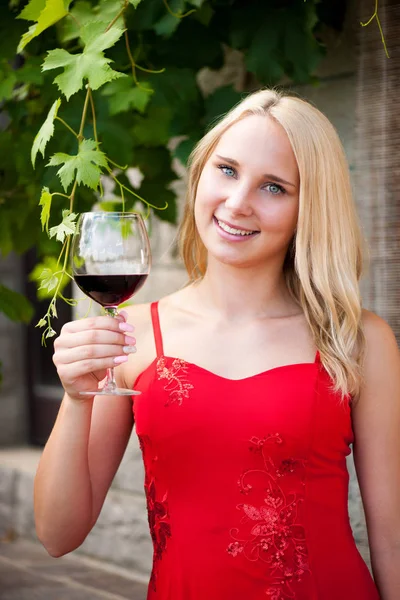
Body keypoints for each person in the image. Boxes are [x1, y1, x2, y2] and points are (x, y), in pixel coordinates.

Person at [34, 88, 400, 600]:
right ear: (200, 172)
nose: (237, 202)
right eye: (226, 170)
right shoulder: (133, 336)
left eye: (274, 187)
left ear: (309, 208)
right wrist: (76, 399)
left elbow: (392, 540)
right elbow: (56, 536)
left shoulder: (357, 340)